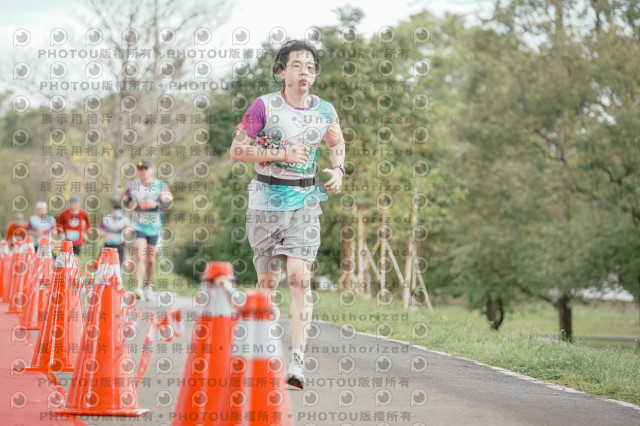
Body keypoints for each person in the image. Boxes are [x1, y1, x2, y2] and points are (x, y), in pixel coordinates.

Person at [231, 39, 345, 389]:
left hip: (305, 202)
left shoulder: (325, 110)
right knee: (268, 283)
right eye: (296, 65)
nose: (304, 72)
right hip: (265, 202)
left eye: (310, 67)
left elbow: (336, 141)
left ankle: (296, 360)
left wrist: (339, 170)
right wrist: (281, 153)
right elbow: (237, 151)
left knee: (299, 278)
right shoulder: (263, 106)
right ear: (282, 72)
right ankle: (264, 348)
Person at [123, 159, 173, 301]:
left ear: (151, 169)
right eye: (140, 169)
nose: (143, 171)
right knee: (139, 256)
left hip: (155, 226)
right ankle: (137, 287)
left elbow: (168, 204)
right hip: (138, 225)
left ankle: (147, 284)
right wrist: (131, 204)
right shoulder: (133, 186)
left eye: (145, 168)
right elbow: (126, 202)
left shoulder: (161, 185)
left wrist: (157, 204)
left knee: (150, 259)